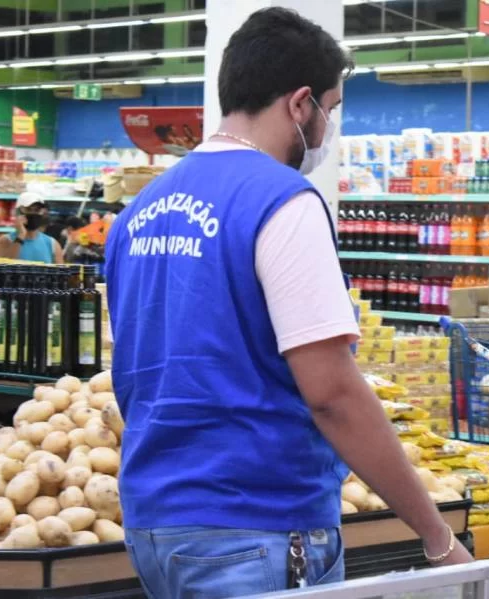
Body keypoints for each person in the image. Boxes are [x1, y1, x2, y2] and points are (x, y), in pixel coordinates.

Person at [104, 8, 470, 598]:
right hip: (258, 526)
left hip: (153, 523)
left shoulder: (137, 213)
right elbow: (332, 394)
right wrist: (435, 536)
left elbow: (136, 370)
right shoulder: (281, 202)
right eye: (331, 110)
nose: (326, 132)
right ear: (301, 105)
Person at [0, 191, 64, 264]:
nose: (33, 213)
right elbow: (5, 268)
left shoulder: (52, 244)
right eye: (28, 209)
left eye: (37, 210)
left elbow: (61, 273)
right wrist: (20, 235)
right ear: (19, 212)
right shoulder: (5, 241)